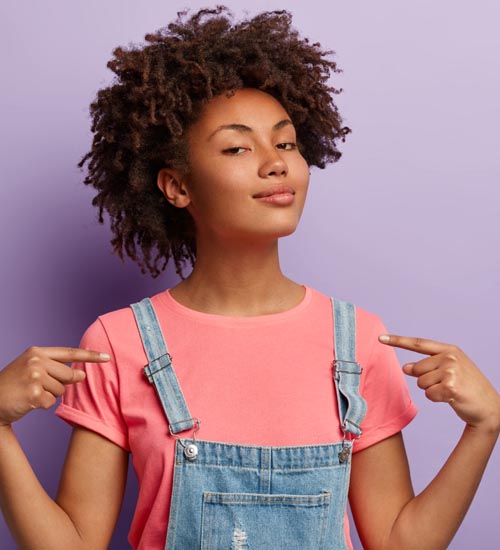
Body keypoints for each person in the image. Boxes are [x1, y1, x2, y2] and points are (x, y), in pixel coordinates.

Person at [0, 6, 499, 549]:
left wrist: (484, 428)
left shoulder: (357, 343)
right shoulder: (119, 345)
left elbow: (401, 543)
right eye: (238, 147)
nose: (276, 163)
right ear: (177, 186)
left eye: (285, 143)